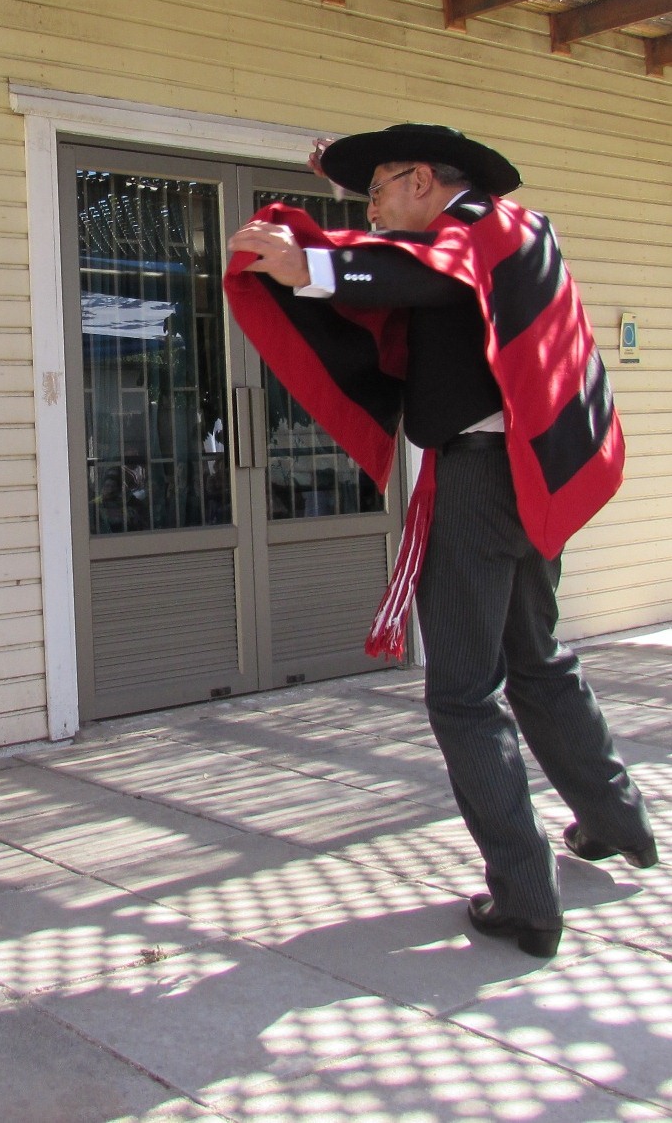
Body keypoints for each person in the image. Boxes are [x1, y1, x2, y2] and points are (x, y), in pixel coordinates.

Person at [225, 123, 657, 959]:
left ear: (423, 180)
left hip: (483, 479)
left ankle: (526, 898)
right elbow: (420, 276)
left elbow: (422, 267)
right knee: (538, 660)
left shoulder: (478, 232)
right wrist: (339, 212)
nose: (373, 210)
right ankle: (617, 822)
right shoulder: (518, 231)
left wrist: (307, 261)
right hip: (533, 475)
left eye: (380, 191)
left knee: (464, 692)